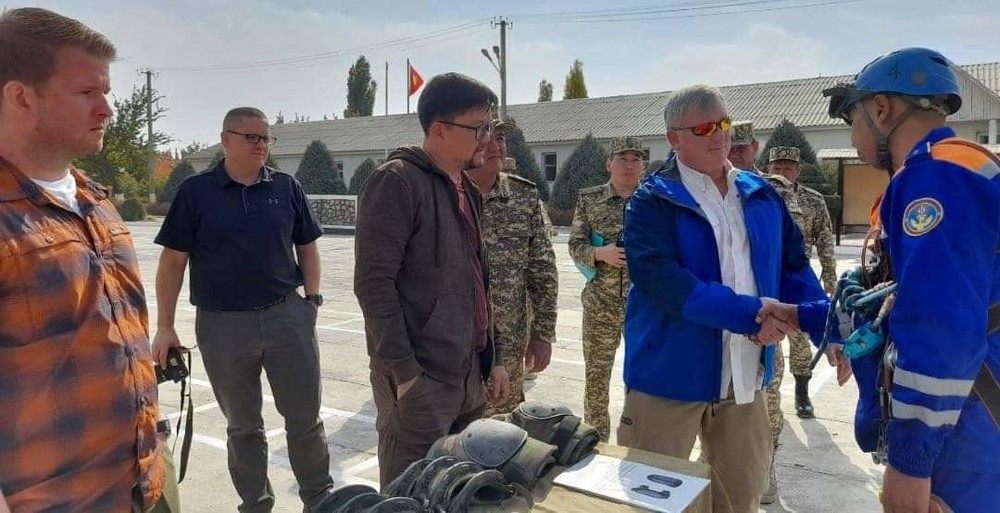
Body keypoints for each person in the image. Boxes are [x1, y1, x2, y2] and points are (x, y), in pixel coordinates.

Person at [619, 85, 830, 513]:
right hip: (669, 377)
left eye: (723, 124)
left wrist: (824, 323)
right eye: (703, 128)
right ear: (674, 138)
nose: (719, 135)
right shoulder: (652, 200)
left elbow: (793, 266)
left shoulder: (760, 193)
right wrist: (753, 315)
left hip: (744, 378)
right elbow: (664, 282)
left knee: (740, 495)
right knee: (654, 501)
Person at [0, 7, 176, 512]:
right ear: (21, 96)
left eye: (106, 92)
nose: (107, 110)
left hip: (146, 483)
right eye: (86, 93)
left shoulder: (97, 202)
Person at [823, 47, 999, 513]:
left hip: (965, 435)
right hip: (970, 421)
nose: (853, 137)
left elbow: (940, 325)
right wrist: (802, 314)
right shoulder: (963, 165)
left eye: (852, 120)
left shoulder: (935, 178)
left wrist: (910, 463)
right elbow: (906, 297)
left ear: (881, 109)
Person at [153, 107, 334, 512]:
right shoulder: (196, 193)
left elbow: (307, 246)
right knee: (243, 427)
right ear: (226, 140)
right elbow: (173, 262)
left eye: (266, 138)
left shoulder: (286, 187)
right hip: (223, 328)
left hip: (287, 317)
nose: (261, 145)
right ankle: (255, 504)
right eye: (252, 137)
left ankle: (319, 500)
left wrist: (312, 302)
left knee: (305, 420)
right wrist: (165, 326)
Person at [354, 72, 511, 487]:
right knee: (409, 493)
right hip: (421, 380)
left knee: (459, 491)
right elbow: (373, 285)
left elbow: (478, 282)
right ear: (439, 130)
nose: (488, 140)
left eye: (489, 127)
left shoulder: (466, 188)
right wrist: (405, 375)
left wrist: (494, 357)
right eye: (478, 128)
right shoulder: (397, 181)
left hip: (467, 375)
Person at [466, 120, 558, 415]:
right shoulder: (445, 194)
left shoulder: (523, 196)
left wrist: (542, 334)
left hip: (509, 342)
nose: (497, 146)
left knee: (503, 424)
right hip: (456, 340)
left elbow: (542, 269)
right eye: (488, 136)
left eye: (502, 138)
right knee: (458, 427)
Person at [567, 136, 645, 441]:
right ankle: (595, 441)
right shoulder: (590, 200)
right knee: (597, 378)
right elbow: (575, 245)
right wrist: (601, 254)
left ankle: (635, 439)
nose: (629, 166)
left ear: (642, 165)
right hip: (601, 305)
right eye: (622, 159)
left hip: (643, 306)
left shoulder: (653, 200)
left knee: (641, 379)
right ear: (609, 164)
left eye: (635, 159)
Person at [766, 146, 837, 420]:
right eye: (777, 167)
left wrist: (829, 274)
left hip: (799, 278)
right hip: (768, 278)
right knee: (770, 339)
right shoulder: (761, 194)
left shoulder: (813, 200)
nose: (782, 172)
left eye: (788, 167)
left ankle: (802, 393)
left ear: (798, 170)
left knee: (800, 339)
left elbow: (824, 237)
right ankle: (770, 400)